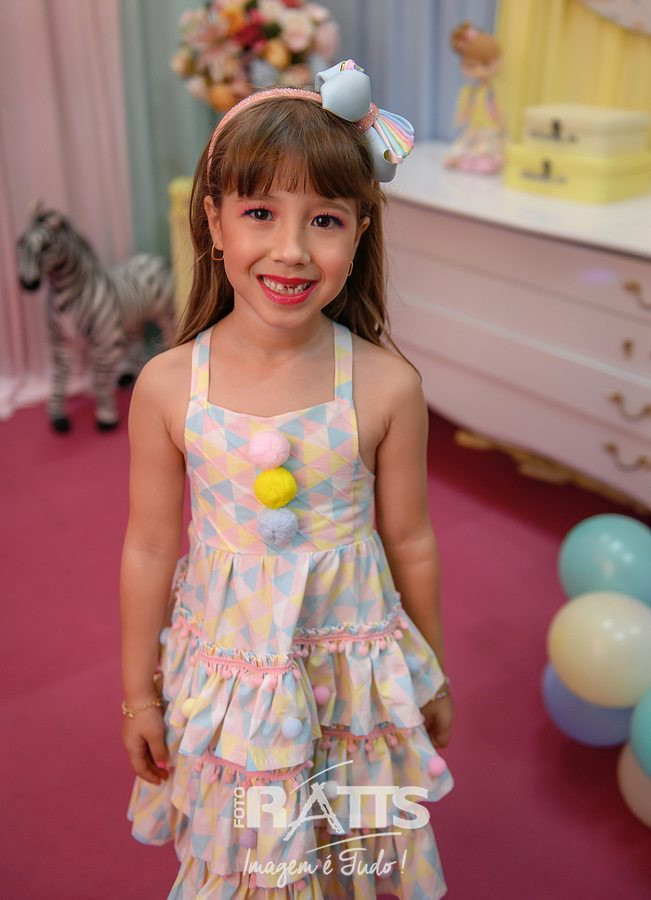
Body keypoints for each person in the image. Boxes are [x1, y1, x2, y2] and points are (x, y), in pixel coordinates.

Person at [120, 59, 454, 899]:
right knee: (251, 857)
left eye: (326, 220)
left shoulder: (386, 385)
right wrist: (138, 697)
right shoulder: (167, 385)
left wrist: (429, 672)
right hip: (231, 675)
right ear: (214, 221)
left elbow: (410, 538)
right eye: (260, 212)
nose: (292, 250)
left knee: (340, 847)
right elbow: (149, 547)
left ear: (360, 231)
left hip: (350, 676)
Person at [445, 21, 506, 174]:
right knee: (464, 148)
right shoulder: (470, 92)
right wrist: (461, 118)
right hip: (473, 131)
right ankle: (469, 161)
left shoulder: (492, 92)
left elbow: (498, 113)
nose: (479, 70)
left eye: (485, 64)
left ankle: (483, 162)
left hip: (489, 131)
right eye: (472, 65)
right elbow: (464, 113)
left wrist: (501, 126)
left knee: (486, 149)